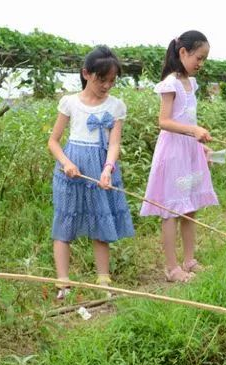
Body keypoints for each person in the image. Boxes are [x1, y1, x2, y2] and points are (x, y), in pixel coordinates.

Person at [48, 46, 135, 298]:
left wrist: (108, 169)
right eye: (101, 79)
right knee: (64, 221)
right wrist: (66, 162)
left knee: (101, 220)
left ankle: (103, 281)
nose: (106, 85)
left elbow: (114, 143)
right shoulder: (70, 103)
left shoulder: (117, 106)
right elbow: (53, 141)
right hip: (71, 171)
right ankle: (63, 281)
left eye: (112, 81)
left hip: (101, 169)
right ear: (86, 74)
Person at [140, 30, 218, 282]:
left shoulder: (191, 83)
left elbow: (188, 118)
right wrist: (193, 131)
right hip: (173, 153)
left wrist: (200, 143)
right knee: (171, 209)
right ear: (183, 52)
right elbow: (163, 121)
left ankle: (189, 259)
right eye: (199, 57)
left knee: (190, 207)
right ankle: (172, 268)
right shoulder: (170, 83)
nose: (201, 63)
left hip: (189, 152)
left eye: (204, 58)